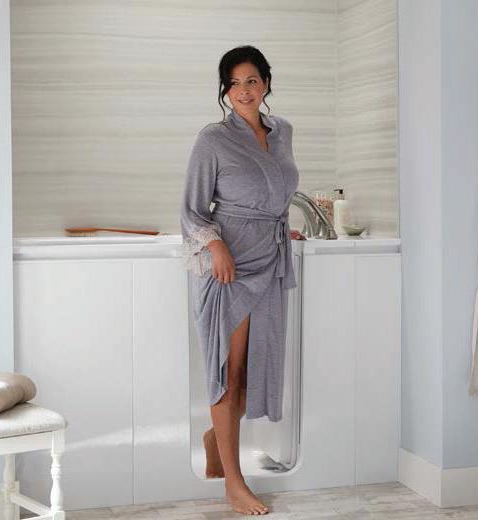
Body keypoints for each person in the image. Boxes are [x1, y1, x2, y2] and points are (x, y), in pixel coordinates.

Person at [179, 45, 306, 515]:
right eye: (233, 83)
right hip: (229, 268)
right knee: (229, 373)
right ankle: (234, 484)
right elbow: (192, 210)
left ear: (266, 83)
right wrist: (217, 247)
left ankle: (216, 439)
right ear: (225, 90)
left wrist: (280, 225)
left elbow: (274, 189)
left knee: (252, 370)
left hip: (270, 258)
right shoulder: (213, 139)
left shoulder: (282, 131)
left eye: (251, 80)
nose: (243, 91)